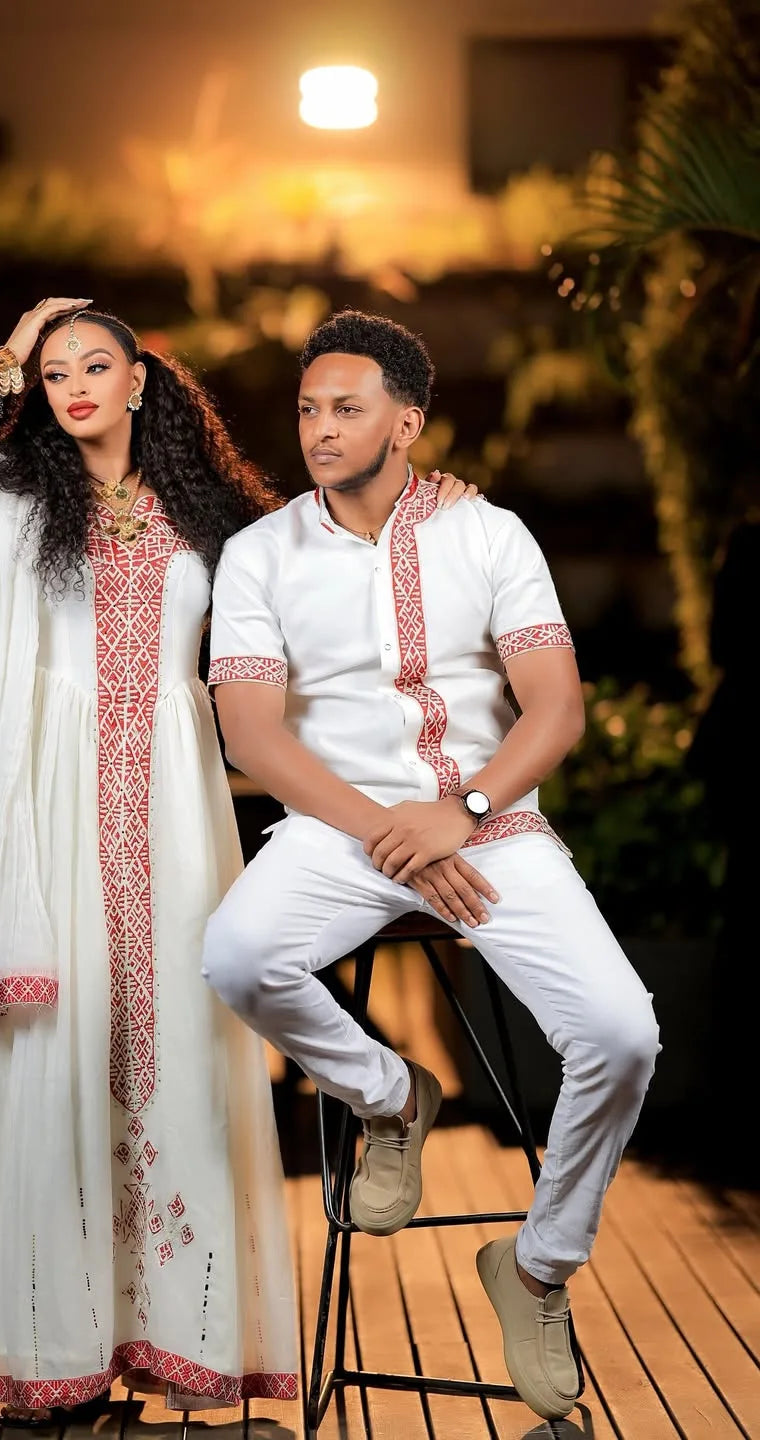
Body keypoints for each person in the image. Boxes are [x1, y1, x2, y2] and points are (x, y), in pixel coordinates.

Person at [0, 296, 476, 1427]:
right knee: (56, 1069)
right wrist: (6, 347)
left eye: (98, 364)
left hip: (172, 822)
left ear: (141, 380)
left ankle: (152, 1347)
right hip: (43, 828)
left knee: (169, 1063)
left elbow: (338, 611)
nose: (78, 386)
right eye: (55, 374)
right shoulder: (3, 500)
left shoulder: (215, 523)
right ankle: (54, 1363)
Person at [201, 309, 661, 1425]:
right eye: (309, 408)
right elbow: (253, 739)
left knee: (623, 1036)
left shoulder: (489, 532)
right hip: (337, 830)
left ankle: (539, 1267)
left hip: (489, 823)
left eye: (347, 408)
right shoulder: (260, 553)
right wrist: (390, 833)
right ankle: (391, 1093)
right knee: (240, 956)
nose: (319, 427)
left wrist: (461, 811)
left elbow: (556, 710)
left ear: (408, 423)